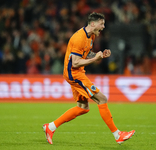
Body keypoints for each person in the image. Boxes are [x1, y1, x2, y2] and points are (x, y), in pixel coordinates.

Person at [43, 12, 135, 145]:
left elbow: (86, 53)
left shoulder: (91, 35)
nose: (103, 27)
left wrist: (100, 55)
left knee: (83, 107)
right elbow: (75, 62)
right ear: (93, 24)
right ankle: (117, 135)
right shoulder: (79, 38)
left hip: (77, 72)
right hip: (74, 74)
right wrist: (95, 59)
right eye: (101, 23)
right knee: (102, 98)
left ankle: (50, 127)